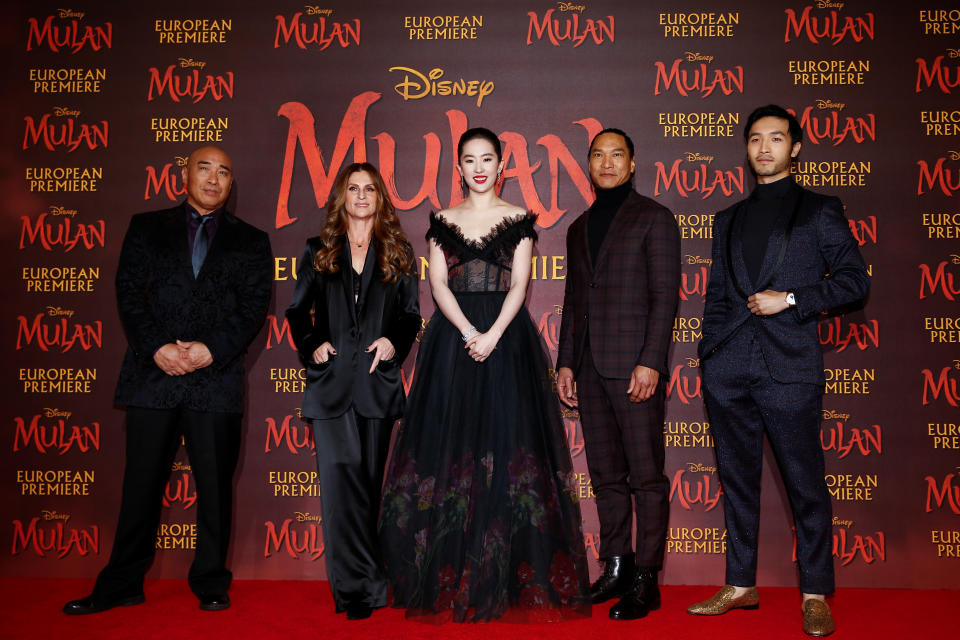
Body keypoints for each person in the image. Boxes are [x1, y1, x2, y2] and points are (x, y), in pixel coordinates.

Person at [379, 127, 591, 623]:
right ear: (458, 168)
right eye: (469, 159)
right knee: (450, 450)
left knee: (508, 448)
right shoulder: (442, 221)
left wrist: (492, 334)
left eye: (487, 158)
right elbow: (436, 283)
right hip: (453, 341)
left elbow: (519, 284)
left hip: (507, 341)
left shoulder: (518, 219)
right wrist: (470, 330)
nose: (478, 167)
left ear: (501, 165)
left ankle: (505, 573)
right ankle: (447, 572)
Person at [63, 146, 273, 615]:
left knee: (216, 490)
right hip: (151, 377)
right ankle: (121, 583)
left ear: (231, 183)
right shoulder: (146, 226)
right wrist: (157, 347)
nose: (214, 179)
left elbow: (252, 308)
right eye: (205, 168)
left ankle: (211, 581)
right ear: (184, 175)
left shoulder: (252, 240)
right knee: (140, 486)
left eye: (224, 172)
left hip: (214, 382)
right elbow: (128, 293)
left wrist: (209, 350)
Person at [687, 105, 869, 637]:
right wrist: (708, 357)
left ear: (796, 147)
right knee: (737, 482)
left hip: (790, 368)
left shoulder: (819, 210)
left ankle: (815, 591)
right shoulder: (726, 219)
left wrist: (790, 297)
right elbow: (718, 296)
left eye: (776, 138)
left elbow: (855, 282)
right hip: (728, 371)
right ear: (745, 149)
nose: (764, 148)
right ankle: (741, 584)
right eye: (755, 139)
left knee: (805, 485)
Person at [285, 162, 421, 621]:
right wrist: (311, 345)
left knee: (365, 486)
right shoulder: (317, 250)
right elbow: (296, 311)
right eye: (353, 188)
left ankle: (369, 578)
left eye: (370, 189)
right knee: (339, 491)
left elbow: (409, 316)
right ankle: (356, 591)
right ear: (341, 197)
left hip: (376, 384)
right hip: (330, 386)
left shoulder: (399, 252)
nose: (361, 196)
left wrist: (393, 343)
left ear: (380, 198)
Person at [556, 128, 681, 621]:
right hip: (588, 370)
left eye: (617, 155)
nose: (607, 163)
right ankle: (615, 566)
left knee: (646, 479)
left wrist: (651, 361)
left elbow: (665, 297)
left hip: (635, 371)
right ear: (589, 165)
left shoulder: (655, 219)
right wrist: (566, 361)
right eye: (598, 155)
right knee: (606, 478)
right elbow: (573, 303)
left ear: (632, 164)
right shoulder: (578, 227)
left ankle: (646, 579)